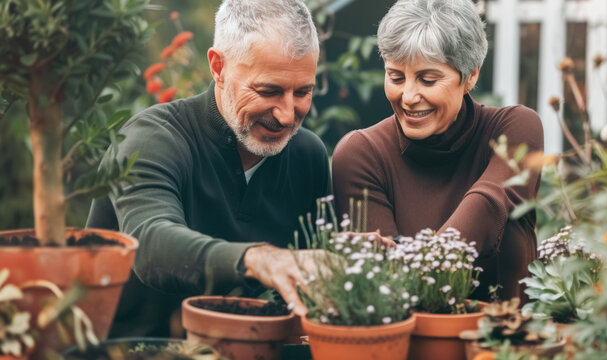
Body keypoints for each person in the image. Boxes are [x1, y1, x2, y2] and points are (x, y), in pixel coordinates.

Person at [86, 0, 329, 337]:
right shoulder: (152, 139)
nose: (287, 115)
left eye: (303, 92)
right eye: (268, 90)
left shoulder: (308, 156)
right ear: (218, 67)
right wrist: (258, 260)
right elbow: (150, 243)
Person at [332, 0, 544, 302]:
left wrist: (411, 256)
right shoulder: (361, 154)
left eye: (427, 79)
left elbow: (487, 205)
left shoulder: (514, 128)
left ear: (470, 76)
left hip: (510, 343)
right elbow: (383, 291)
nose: (408, 97)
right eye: (395, 77)